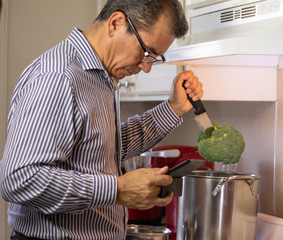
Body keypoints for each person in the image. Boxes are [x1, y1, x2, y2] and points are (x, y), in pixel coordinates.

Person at [0, 0, 202, 239]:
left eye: (154, 59)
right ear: (116, 23)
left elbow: (103, 148)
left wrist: (174, 108)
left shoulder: (99, 78)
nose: (145, 68)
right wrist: (117, 190)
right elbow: (19, 178)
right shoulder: (58, 76)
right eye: (146, 52)